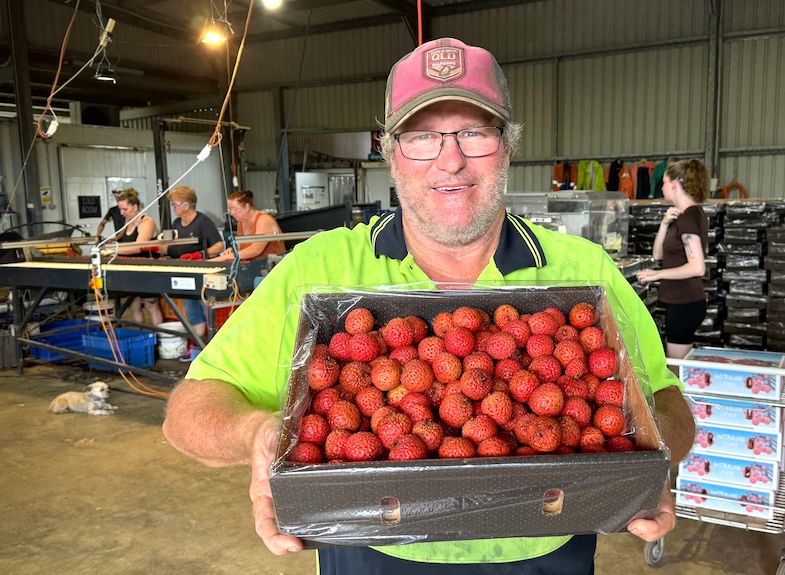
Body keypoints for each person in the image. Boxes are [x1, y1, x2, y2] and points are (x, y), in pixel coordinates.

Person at [163, 38, 695, 574]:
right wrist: (257, 433)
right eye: (422, 137)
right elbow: (187, 413)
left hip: (544, 552)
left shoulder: (584, 270)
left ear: (507, 147)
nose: (451, 159)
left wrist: (651, 459)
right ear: (392, 153)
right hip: (369, 551)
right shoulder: (316, 269)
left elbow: (669, 405)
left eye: (474, 133)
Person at [636, 159, 709, 360]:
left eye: (664, 182)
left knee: (677, 368)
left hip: (685, 301)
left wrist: (656, 274)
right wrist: (664, 223)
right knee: (679, 362)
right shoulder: (685, 216)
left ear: (675, 185)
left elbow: (697, 267)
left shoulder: (688, 217)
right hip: (681, 300)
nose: (662, 187)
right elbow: (658, 255)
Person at [164, 186, 225, 356]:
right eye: (173, 205)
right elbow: (172, 246)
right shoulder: (176, 223)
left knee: (206, 308)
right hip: (183, 272)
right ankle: (198, 348)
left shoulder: (202, 221)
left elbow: (219, 245)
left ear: (187, 204)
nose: (174, 208)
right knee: (192, 311)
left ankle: (212, 351)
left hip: (202, 274)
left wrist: (200, 254)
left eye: (176, 204)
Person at [113, 188, 163, 327]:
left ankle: (159, 340)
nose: (122, 213)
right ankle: (139, 338)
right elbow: (118, 240)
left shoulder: (146, 222)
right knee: (134, 307)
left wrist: (114, 250)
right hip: (130, 272)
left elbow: (138, 247)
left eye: (125, 209)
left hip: (146, 272)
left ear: (135, 207)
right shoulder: (128, 223)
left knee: (151, 307)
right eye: (120, 209)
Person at [208, 190, 285, 262]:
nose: (232, 213)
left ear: (247, 207)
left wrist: (226, 257)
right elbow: (244, 246)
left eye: (235, 209)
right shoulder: (241, 222)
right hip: (251, 265)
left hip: (272, 266)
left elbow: (255, 249)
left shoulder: (264, 220)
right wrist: (234, 249)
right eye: (230, 210)